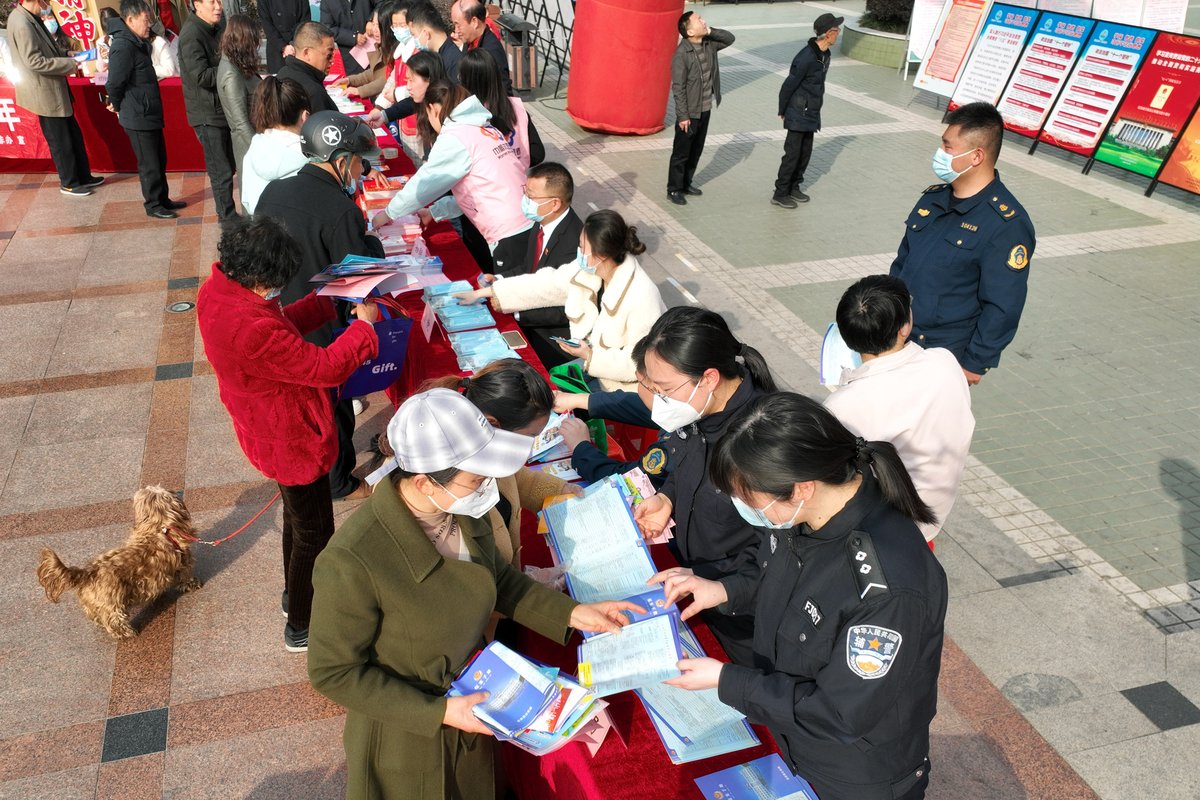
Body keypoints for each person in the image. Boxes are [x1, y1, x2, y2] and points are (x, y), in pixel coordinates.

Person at [307, 388, 641, 799]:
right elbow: (332, 672)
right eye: (476, 477)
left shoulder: (461, 507)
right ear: (425, 482)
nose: (488, 486)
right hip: (410, 734)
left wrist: (574, 613)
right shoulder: (353, 560)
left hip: (475, 695)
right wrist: (441, 711)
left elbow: (499, 581)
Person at [653, 392, 948, 800]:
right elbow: (779, 580)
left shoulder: (887, 588)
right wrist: (723, 588)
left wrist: (727, 680)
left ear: (801, 488)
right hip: (796, 740)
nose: (742, 507)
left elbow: (840, 713)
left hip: (852, 773)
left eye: (748, 498)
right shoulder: (802, 517)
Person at [196, 215, 380, 652]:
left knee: (300, 522)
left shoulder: (221, 292)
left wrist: (324, 302)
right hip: (289, 435)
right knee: (315, 532)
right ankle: (302, 623)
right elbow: (324, 367)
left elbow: (281, 329)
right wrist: (364, 328)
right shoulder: (252, 326)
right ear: (260, 277)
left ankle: (294, 597)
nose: (280, 291)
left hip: (265, 425)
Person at [630, 307, 777, 665]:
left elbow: (778, 556)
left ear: (708, 378)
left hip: (741, 616)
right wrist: (668, 496)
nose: (658, 400)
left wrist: (712, 582)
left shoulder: (762, 445)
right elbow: (687, 467)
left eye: (664, 390)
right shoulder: (701, 412)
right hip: (693, 585)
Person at [256, 110, 384, 504]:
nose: (362, 171)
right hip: (322, 320)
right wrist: (373, 246)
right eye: (360, 163)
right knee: (334, 405)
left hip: (279, 313)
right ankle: (340, 481)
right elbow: (356, 275)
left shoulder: (273, 191)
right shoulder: (341, 210)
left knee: (305, 404)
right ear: (342, 161)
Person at [889, 101, 1036, 385]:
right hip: (898, 340)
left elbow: (1004, 304)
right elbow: (902, 264)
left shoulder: (1006, 223)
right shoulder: (932, 199)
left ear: (976, 156)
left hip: (944, 355)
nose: (939, 154)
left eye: (948, 147)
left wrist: (975, 363)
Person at [824, 275, 974, 544]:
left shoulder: (842, 405)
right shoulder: (945, 362)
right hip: (931, 517)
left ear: (846, 337)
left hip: (883, 533)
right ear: (905, 327)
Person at [460, 210, 667, 392]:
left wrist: (590, 356)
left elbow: (640, 364)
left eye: (581, 246)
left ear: (601, 254)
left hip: (618, 386)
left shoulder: (642, 295)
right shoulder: (590, 269)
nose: (579, 252)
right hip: (588, 365)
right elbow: (547, 283)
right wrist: (488, 291)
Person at [419, 359, 575, 567]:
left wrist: (559, 489)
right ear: (493, 424)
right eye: (529, 436)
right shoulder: (448, 481)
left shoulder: (485, 449)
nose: (530, 449)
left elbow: (515, 478)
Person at [371, 81, 534, 275]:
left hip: (509, 231)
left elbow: (426, 181)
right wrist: (434, 211)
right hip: (527, 220)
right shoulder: (484, 128)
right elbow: (480, 192)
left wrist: (389, 213)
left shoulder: (456, 135)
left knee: (515, 293)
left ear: (432, 108)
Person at [6, 0, 104, 197]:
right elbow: (34, 61)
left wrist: (68, 53)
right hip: (44, 92)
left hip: (54, 89)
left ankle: (83, 176)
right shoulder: (21, 22)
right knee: (61, 140)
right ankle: (69, 182)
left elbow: (49, 49)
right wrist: (70, 64)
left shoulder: (32, 18)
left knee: (72, 135)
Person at [488, 161, 580, 367]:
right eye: (525, 192)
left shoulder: (574, 244)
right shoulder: (542, 222)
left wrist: (517, 311)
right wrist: (499, 279)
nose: (525, 200)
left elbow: (568, 307)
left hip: (554, 342)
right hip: (532, 323)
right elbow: (529, 269)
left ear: (555, 203)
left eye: (531, 196)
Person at [105, 0, 185, 219]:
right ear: (130, 20)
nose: (149, 24)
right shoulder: (123, 46)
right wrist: (120, 105)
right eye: (145, 19)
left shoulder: (137, 41)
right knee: (149, 163)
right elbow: (114, 83)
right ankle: (152, 204)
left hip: (148, 110)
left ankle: (163, 198)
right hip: (137, 113)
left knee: (159, 158)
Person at [773, 12, 840, 209]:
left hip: (811, 111)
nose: (839, 33)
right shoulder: (806, 57)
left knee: (805, 153)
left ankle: (794, 186)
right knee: (792, 154)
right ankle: (780, 192)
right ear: (829, 33)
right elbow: (789, 84)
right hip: (798, 111)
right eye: (837, 30)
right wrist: (783, 110)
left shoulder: (825, 54)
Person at [667, 11, 733, 206]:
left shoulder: (709, 45)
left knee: (696, 149)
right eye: (699, 21)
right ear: (689, 31)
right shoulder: (681, 55)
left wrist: (709, 30)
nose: (704, 21)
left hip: (705, 109)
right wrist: (683, 116)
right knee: (681, 153)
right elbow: (678, 88)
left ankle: (687, 183)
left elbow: (730, 38)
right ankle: (674, 189)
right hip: (689, 113)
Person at [179, 0, 236, 220]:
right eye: (211, 1)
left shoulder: (218, 27)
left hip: (221, 109)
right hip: (206, 114)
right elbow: (201, 76)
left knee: (229, 167)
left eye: (220, 1)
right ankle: (228, 221)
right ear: (197, 4)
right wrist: (231, 70)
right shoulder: (191, 34)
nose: (218, 6)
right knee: (220, 171)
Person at [458, 48, 543, 168]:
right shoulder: (516, 108)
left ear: (467, 82)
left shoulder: (465, 117)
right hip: (518, 181)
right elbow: (538, 153)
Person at [240, 76, 310, 214]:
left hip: (261, 230)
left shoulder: (253, 151)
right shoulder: (310, 163)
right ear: (305, 116)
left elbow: (247, 201)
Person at [216, 13, 262, 179]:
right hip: (249, 145)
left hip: (255, 138)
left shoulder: (238, 64)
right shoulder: (231, 73)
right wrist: (260, 149)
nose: (257, 46)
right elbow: (240, 122)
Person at [451, 0, 510, 95]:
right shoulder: (470, 41)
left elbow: (502, 91)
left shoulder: (491, 51)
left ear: (474, 22)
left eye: (458, 25)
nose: (456, 31)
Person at [335, 2, 391, 102]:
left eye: (378, 25)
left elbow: (386, 79)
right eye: (373, 24)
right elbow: (373, 73)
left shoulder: (393, 51)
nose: (375, 30)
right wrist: (350, 80)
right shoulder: (380, 47)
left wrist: (359, 90)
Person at [277, 22, 338, 114]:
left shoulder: (282, 73)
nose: (332, 60)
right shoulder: (313, 92)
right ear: (307, 53)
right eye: (329, 55)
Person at [321, 0, 372, 76]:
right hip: (351, 55)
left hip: (374, 45)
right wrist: (353, 37)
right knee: (356, 83)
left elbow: (381, 4)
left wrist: (371, 20)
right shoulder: (327, 2)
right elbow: (327, 28)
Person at [258, 0, 308, 73]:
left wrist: (293, 44)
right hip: (276, 49)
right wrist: (283, 46)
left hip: (297, 48)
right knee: (278, 81)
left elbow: (305, 22)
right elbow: (267, 25)